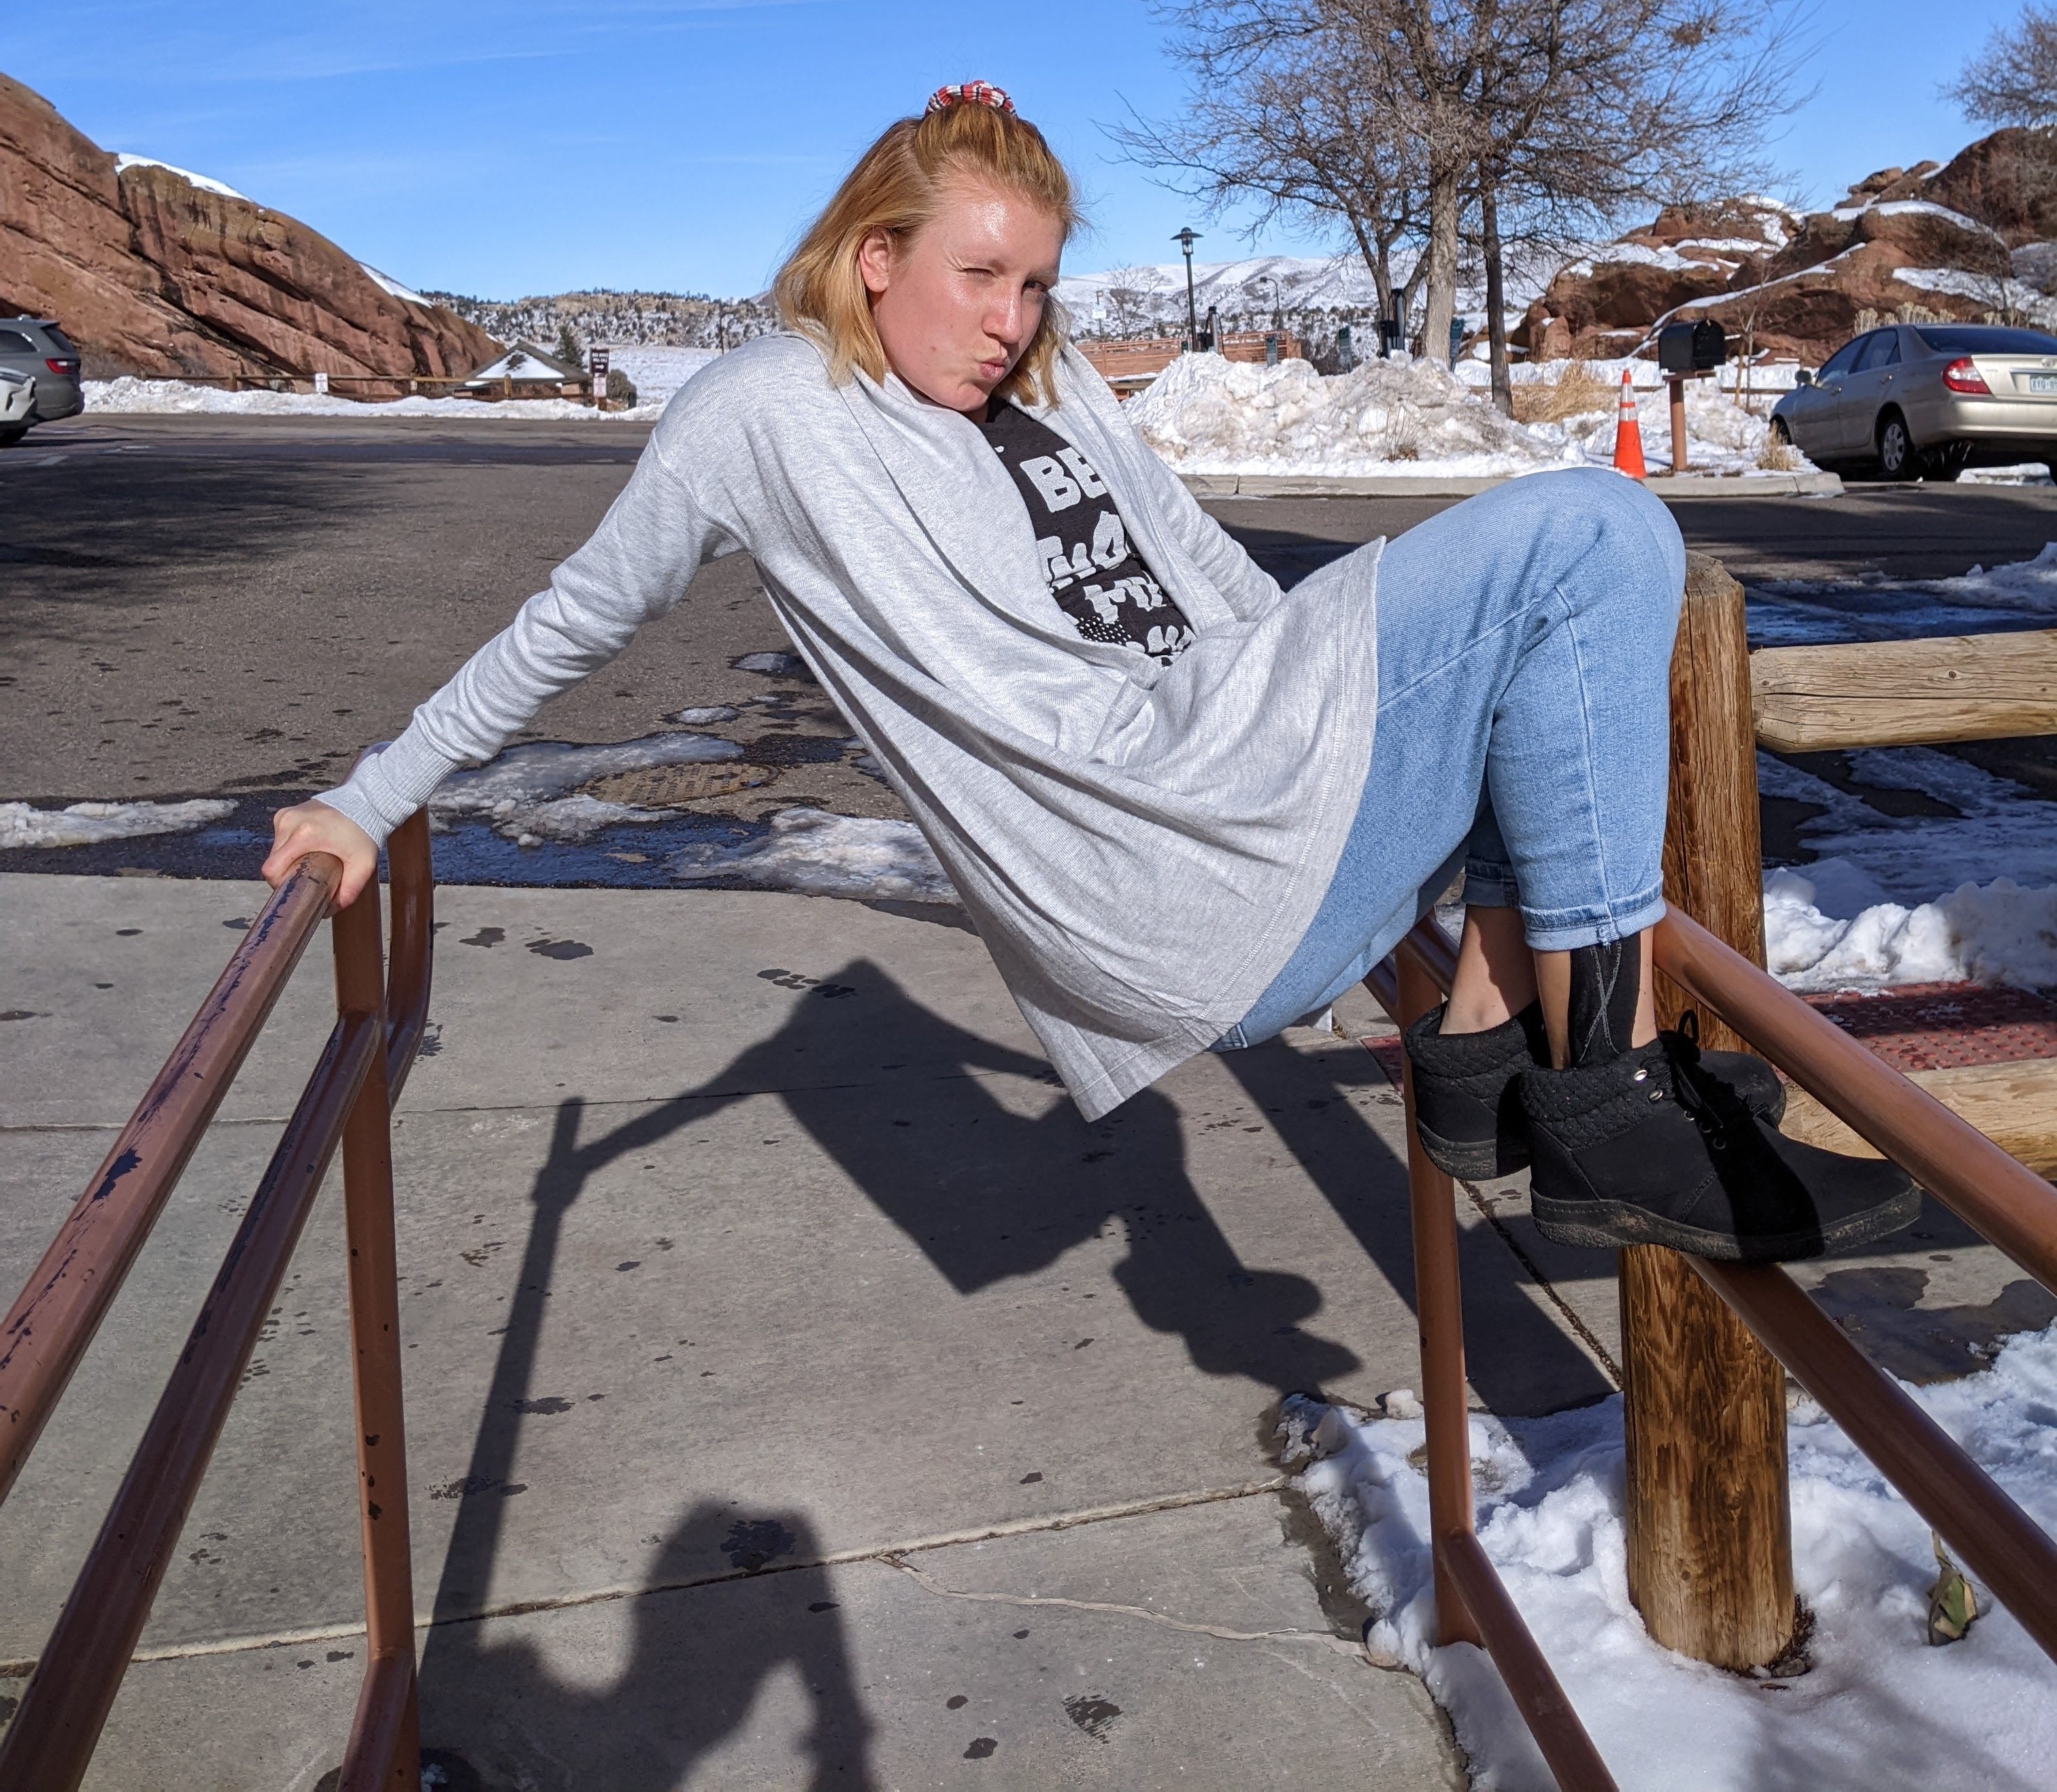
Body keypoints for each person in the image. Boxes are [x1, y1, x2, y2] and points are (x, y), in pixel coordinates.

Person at [266, 84, 1915, 1264]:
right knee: (1596, 534)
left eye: (1038, 280)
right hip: (1164, 871)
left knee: (1537, 633)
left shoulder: (1048, 387)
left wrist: (1350, 654)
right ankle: (1608, 1105)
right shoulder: (763, 414)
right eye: (978, 275)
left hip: (1235, 768)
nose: (1012, 316)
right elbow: (569, 622)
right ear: (872, 259)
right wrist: (369, 798)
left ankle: (1492, 1062)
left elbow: (1203, 576)